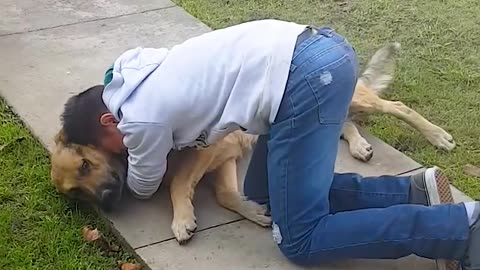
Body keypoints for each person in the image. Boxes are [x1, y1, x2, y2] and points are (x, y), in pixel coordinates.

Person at [60, 19, 478, 270]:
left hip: (306, 79)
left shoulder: (140, 117)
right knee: (262, 195)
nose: (121, 151)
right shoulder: (133, 76)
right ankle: (411, 191)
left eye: (111, 146)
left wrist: (130, 172)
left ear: (108, 120)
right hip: (312, 56)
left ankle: (461, 230)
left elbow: (145, 182)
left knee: (300, 239)